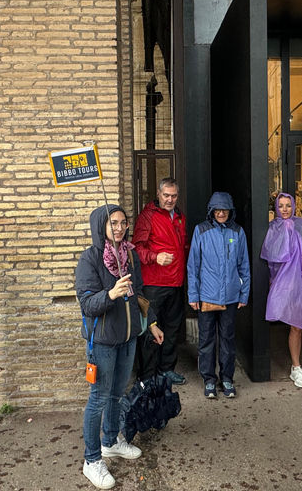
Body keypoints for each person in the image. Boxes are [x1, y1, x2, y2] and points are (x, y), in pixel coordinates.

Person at [76, 204, 164, 490]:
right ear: (101, 225)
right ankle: (91, 460)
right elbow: (87, 304)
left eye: (123, 223)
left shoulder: (129, 255)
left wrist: (151, 324)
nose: (119, 228)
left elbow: (139, 293)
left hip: (128, 337)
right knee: (98, 398)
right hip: (102, 341)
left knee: (117, 394)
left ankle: (111, 441)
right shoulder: (90, 259)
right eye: (113, 223)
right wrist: (111, 293)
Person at [187, 192, 250, 399]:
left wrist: (244, 294)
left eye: (225, 209)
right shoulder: (201, 230)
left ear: (230, 211)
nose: (221, 213)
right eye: (217, 209)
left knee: (227, 339)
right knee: (206, 340)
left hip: (231, 297)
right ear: (211, 211)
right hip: (207, 295)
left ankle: (227, 378)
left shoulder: (238, 232)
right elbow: (193, 265)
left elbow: (244, 266)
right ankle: (209, 380)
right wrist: (193, 294)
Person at [260, 192, 302, 388]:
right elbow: (272, 258)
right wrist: (273, 280)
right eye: (281, 205)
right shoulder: (273, 228)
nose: (285, 209)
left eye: (288, 205)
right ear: (276, 208)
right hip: (288, 282)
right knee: (296, 324)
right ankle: (295, 367)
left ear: (295, 205)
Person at [132, 177, 188, 385]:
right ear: (158, 193)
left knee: (172, 329)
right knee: (150, 329)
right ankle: (147, 375)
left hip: (176, 282)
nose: (170, 199)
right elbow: (136, 248)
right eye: (166, 195)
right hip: (154, 283)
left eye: (174, 196)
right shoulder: (148, 216)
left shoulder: (180, 216)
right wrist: (156, 257)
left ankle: (166, 369)